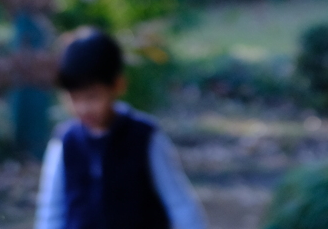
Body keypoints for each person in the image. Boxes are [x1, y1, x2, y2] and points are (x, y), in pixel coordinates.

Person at [34, 29, 207, 229]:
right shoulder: (65, 141)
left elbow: (180, 204)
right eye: (74, 98)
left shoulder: (145, 137)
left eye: (92, 97)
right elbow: (52, 211)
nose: (83, 108)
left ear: (117, 85)